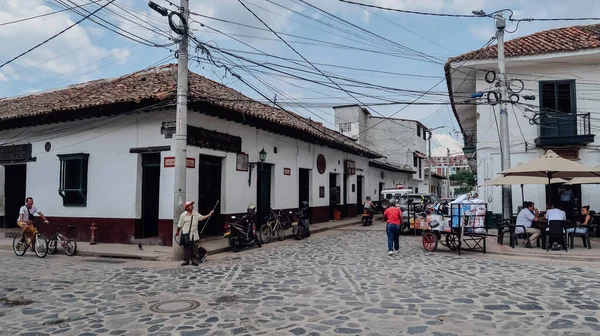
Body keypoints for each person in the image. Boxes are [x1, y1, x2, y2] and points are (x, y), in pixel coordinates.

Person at [175, 201, 214, 266]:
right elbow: (179, 225)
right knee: (186, 248)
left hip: (194, 234)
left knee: (194, 248)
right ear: (187, 207)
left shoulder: (195, 214)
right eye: (190, 205)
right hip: (186, 234)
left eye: (192, 205)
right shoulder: (183, 215)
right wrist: (177, 232)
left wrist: (209, 214)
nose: (192, 206)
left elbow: (202, 218)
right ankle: (186, 260)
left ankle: (194, 260)